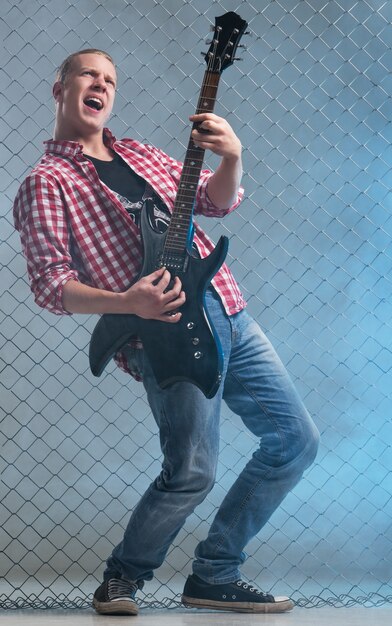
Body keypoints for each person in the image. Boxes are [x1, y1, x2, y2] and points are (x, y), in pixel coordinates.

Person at [13, 49, 320, 616]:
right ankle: (120, 579)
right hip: (162, 334)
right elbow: (51, 284)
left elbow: (215, 201)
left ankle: (215, 573)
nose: (100, 84)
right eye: (89, 75)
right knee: (193, 473)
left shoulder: (144, 154)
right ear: (60, 88)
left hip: (228, 311)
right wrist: (127, 301)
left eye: (110, 78)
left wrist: (232, 157)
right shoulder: (47, 182)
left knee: (296, 442)